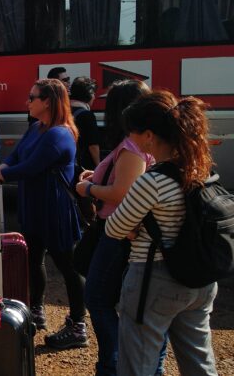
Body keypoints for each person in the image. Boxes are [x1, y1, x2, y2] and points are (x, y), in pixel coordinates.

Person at [105, 91, 218, 376]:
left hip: (154, 278)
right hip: (199, 278)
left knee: (138, 365)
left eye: (134, 131)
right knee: (199, 361)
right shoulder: (198, 169)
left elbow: (114, 227)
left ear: (149, 136)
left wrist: (135, 228)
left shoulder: (151, 182)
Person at [0, 78, 87, 349]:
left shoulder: (59, 133)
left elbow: (31, 166)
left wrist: (1, 173)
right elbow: (16, 157)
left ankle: (78, 325)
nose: (27, 102)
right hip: (35, 206)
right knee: (34, 260)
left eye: (32, 97)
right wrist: (3, 167)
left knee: (69, 266)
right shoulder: (36, 129)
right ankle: (38, 310)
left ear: (48, 102)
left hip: (55, 209)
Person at [74, 79, 155, 376]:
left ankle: (112, 364)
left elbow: (123, 192)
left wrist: (89, 189)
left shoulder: (131, 147)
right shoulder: (135, 142)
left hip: (117, 233)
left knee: (97, 298)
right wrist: (96, 178)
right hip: (115, 231)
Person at [69, 77, 101, 170]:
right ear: (89, 95)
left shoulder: (63, 111)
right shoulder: (87, 115)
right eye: (94, 93)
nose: (94, 97)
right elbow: (93, 145)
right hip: (83, 166)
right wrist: (99, 166)